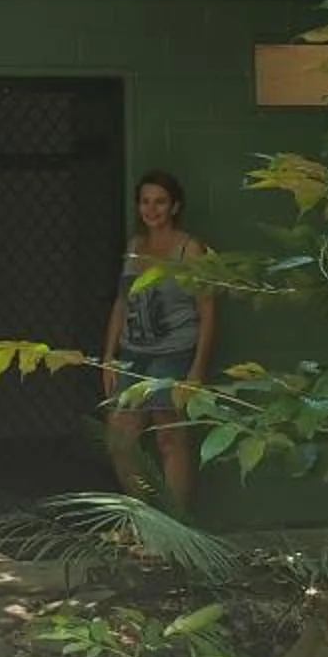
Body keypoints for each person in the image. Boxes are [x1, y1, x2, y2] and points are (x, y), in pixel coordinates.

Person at [100, 169, 215, 514]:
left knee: (170, 437)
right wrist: (109, 355)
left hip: (175, 353)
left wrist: (196, 370)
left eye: (160, 201)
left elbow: (208, 310)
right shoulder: (135, 247)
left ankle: (174, 526)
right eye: (146, 201)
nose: (152, 209)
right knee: (120, 437)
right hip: (134, 354)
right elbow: (122, 302)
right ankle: (146, 517)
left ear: (175, 205)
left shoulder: (188, 248)